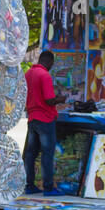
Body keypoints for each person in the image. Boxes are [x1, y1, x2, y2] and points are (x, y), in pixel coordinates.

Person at [23, 50, 66, 194]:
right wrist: (60, 99)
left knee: (30, 154)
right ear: (49, 61)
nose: (52, 66)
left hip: (32, 118)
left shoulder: (28, 74)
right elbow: (49, 100)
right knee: (47, 154)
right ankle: (48, 187)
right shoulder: (45, 75)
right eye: (52, 63)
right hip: (45, 119)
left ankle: (29, 186)